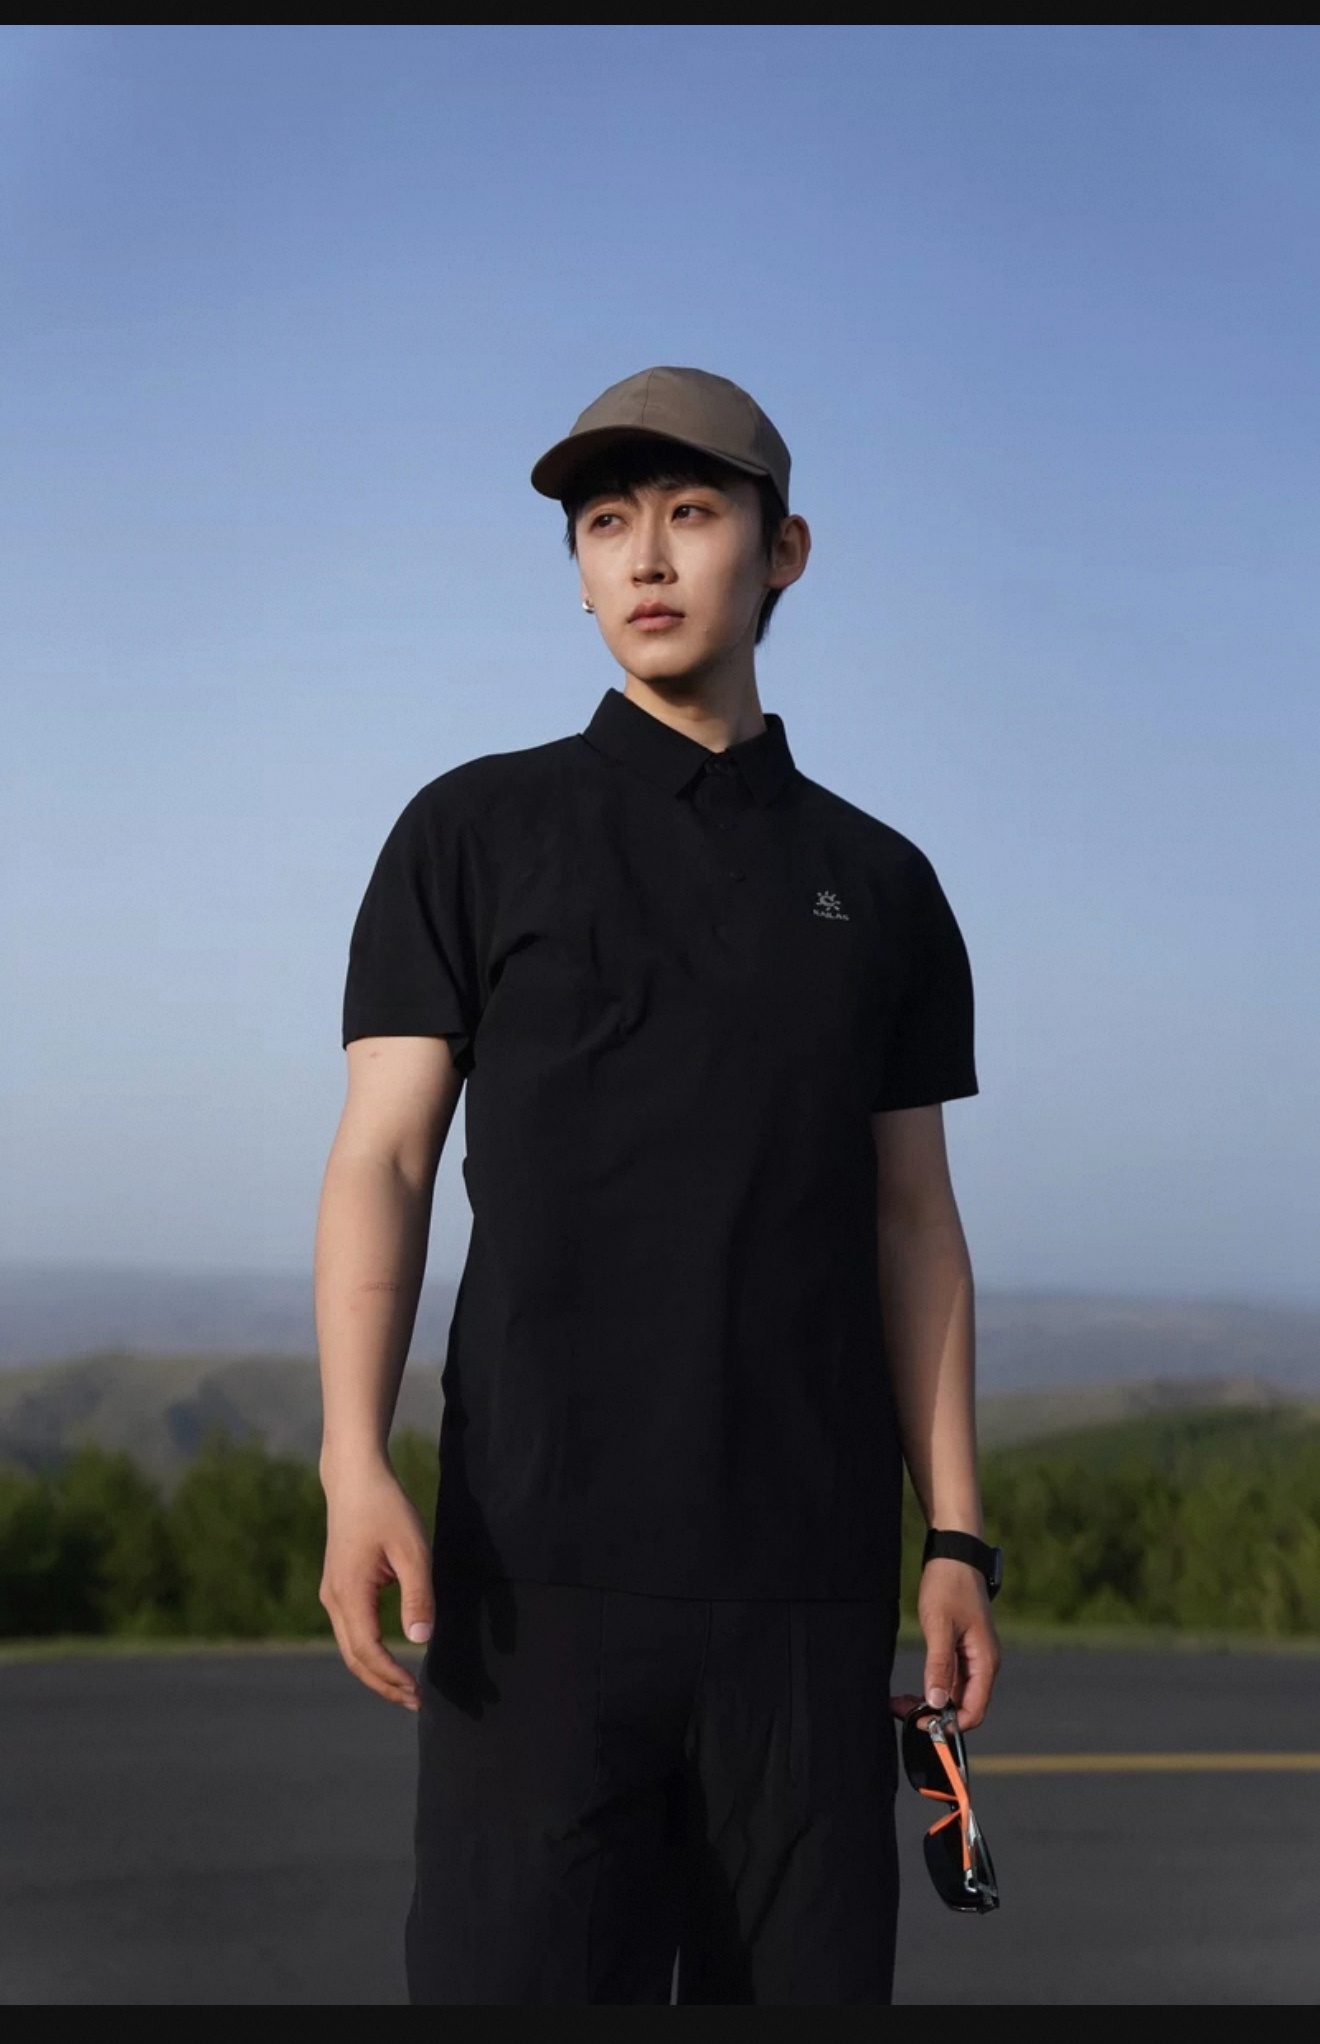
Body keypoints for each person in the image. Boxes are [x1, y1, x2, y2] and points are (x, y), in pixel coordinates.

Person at [314, 366, 1001, 2005]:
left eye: (692, 513)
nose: (645, 556)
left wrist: (959, 1532)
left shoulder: (883, 885)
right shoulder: (471, 832)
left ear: (784, 552)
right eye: (606, 523)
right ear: (575, 569)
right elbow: (383, 1156)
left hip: (805, 1592)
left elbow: (914, 1221)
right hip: (531, 1586)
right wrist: (351, 1456)